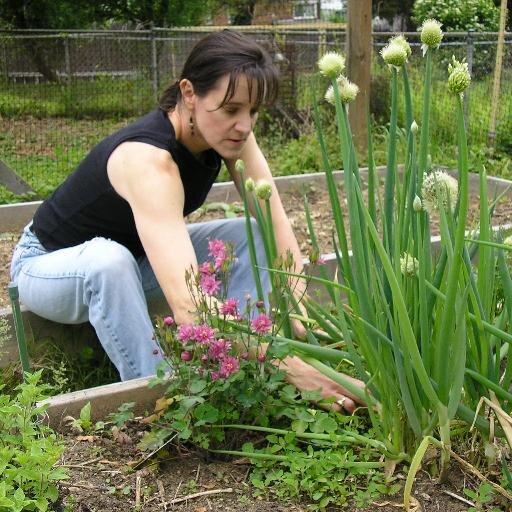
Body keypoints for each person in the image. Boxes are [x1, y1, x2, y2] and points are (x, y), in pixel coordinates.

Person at [10, 30, 363, 412]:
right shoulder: (149, 161)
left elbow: (272, 215)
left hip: (137, 260)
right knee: (107, 261)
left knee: (252, 236)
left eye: (253, 111)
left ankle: (248, 362)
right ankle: (165, 400)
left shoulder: (230, 134)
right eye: (231, 110)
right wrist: (296, 373)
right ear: (190, 93)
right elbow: (190, 308)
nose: (245, 125)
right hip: (49, 266)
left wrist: (298, 308)